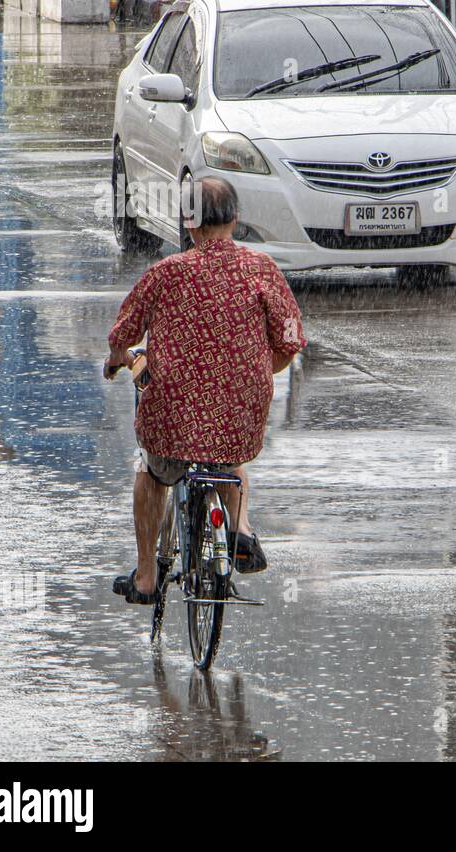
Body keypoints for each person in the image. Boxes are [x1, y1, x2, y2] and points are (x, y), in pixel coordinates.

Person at [105, 176, 305, 603]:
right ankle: (239, 529)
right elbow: (289, 342)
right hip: (238, 412)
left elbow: (122, 333)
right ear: (235, 218)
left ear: (188, 223)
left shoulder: (166, 273)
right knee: (228, 461)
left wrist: (116, 358)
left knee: (152, 473)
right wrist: (248, 374)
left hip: (173, 417)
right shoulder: (261, 269)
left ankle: (145, 577)